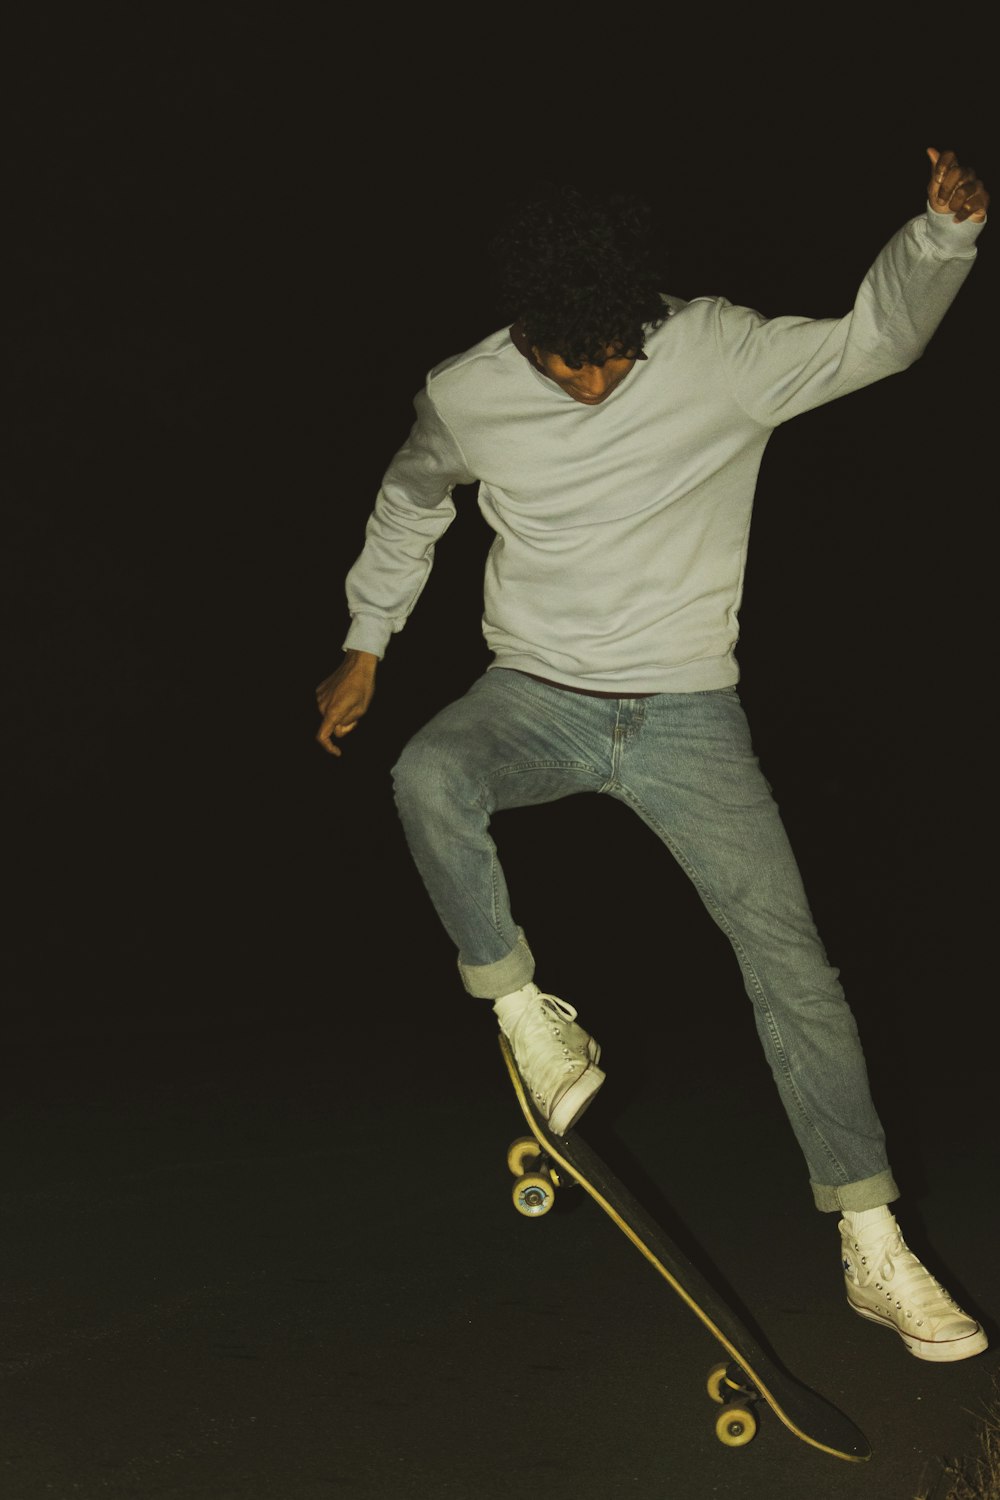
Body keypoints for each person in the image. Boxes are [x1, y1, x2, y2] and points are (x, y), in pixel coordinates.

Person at [316, 148, 989, 1363]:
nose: (595, 382)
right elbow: (412, 501)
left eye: (618, 356)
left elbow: (870, 344)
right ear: (524, 334)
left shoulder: (714, 348)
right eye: (570, 363)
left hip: (687, 711)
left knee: (794, 966)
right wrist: (367, 640)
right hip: (533, 693)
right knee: (425, 774)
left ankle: (873, 1244)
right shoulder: (461, 391)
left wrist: (935, 240)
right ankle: (527, 1015)